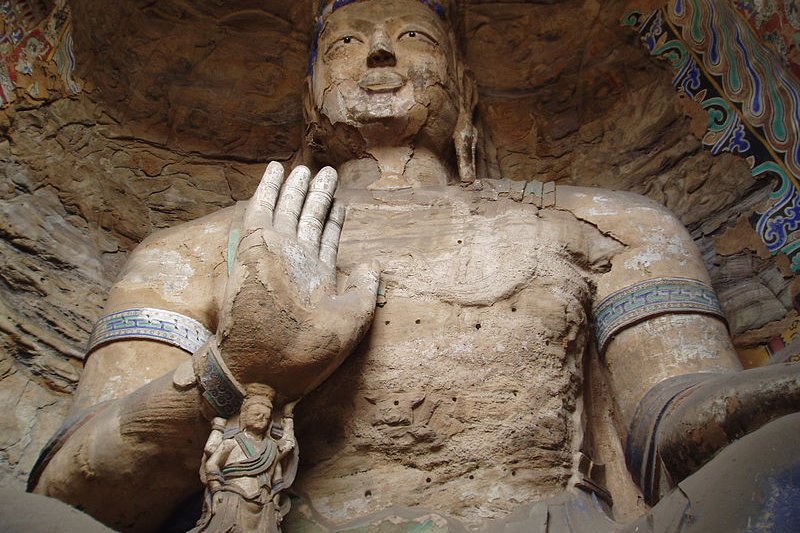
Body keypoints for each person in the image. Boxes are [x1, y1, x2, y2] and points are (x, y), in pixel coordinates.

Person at [30, 0, 800, 531]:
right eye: (344, 42)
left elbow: (673, 419)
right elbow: (72, 492)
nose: (380, 52)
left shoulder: (614, 223)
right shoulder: (196, 248)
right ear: (309, 93)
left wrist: (774, 392)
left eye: (416, 37)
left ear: (462, 87)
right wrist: (233, 374)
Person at [191, 384, 297, 533]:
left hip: (264, 504)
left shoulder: (271, 448)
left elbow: (277, 478)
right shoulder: (232, 442)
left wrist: (288, 417)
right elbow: (212, 464)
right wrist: (217, 491)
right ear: (244, 416)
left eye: (266, 416)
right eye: (256, 414)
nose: (261, 418)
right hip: (233, 498)